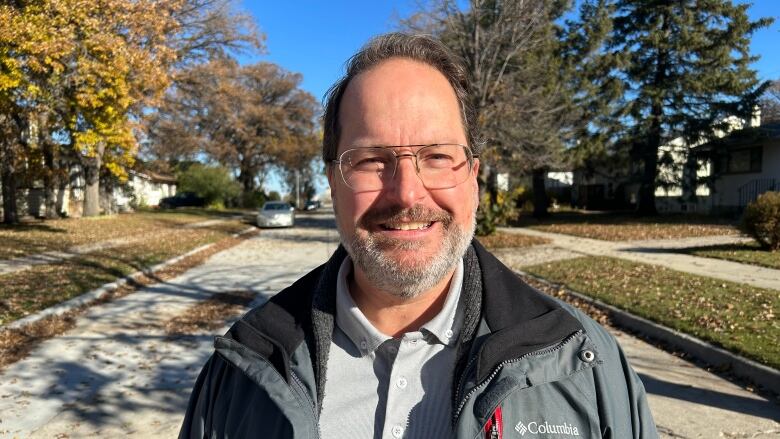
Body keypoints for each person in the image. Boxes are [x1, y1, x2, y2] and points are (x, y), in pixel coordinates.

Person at [179, 33, 658, 439]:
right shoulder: (243, 372)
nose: (407, 192)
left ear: (472, 176)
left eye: (436, 156)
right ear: (332, 182)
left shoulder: (583, 365)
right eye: (371, 160)